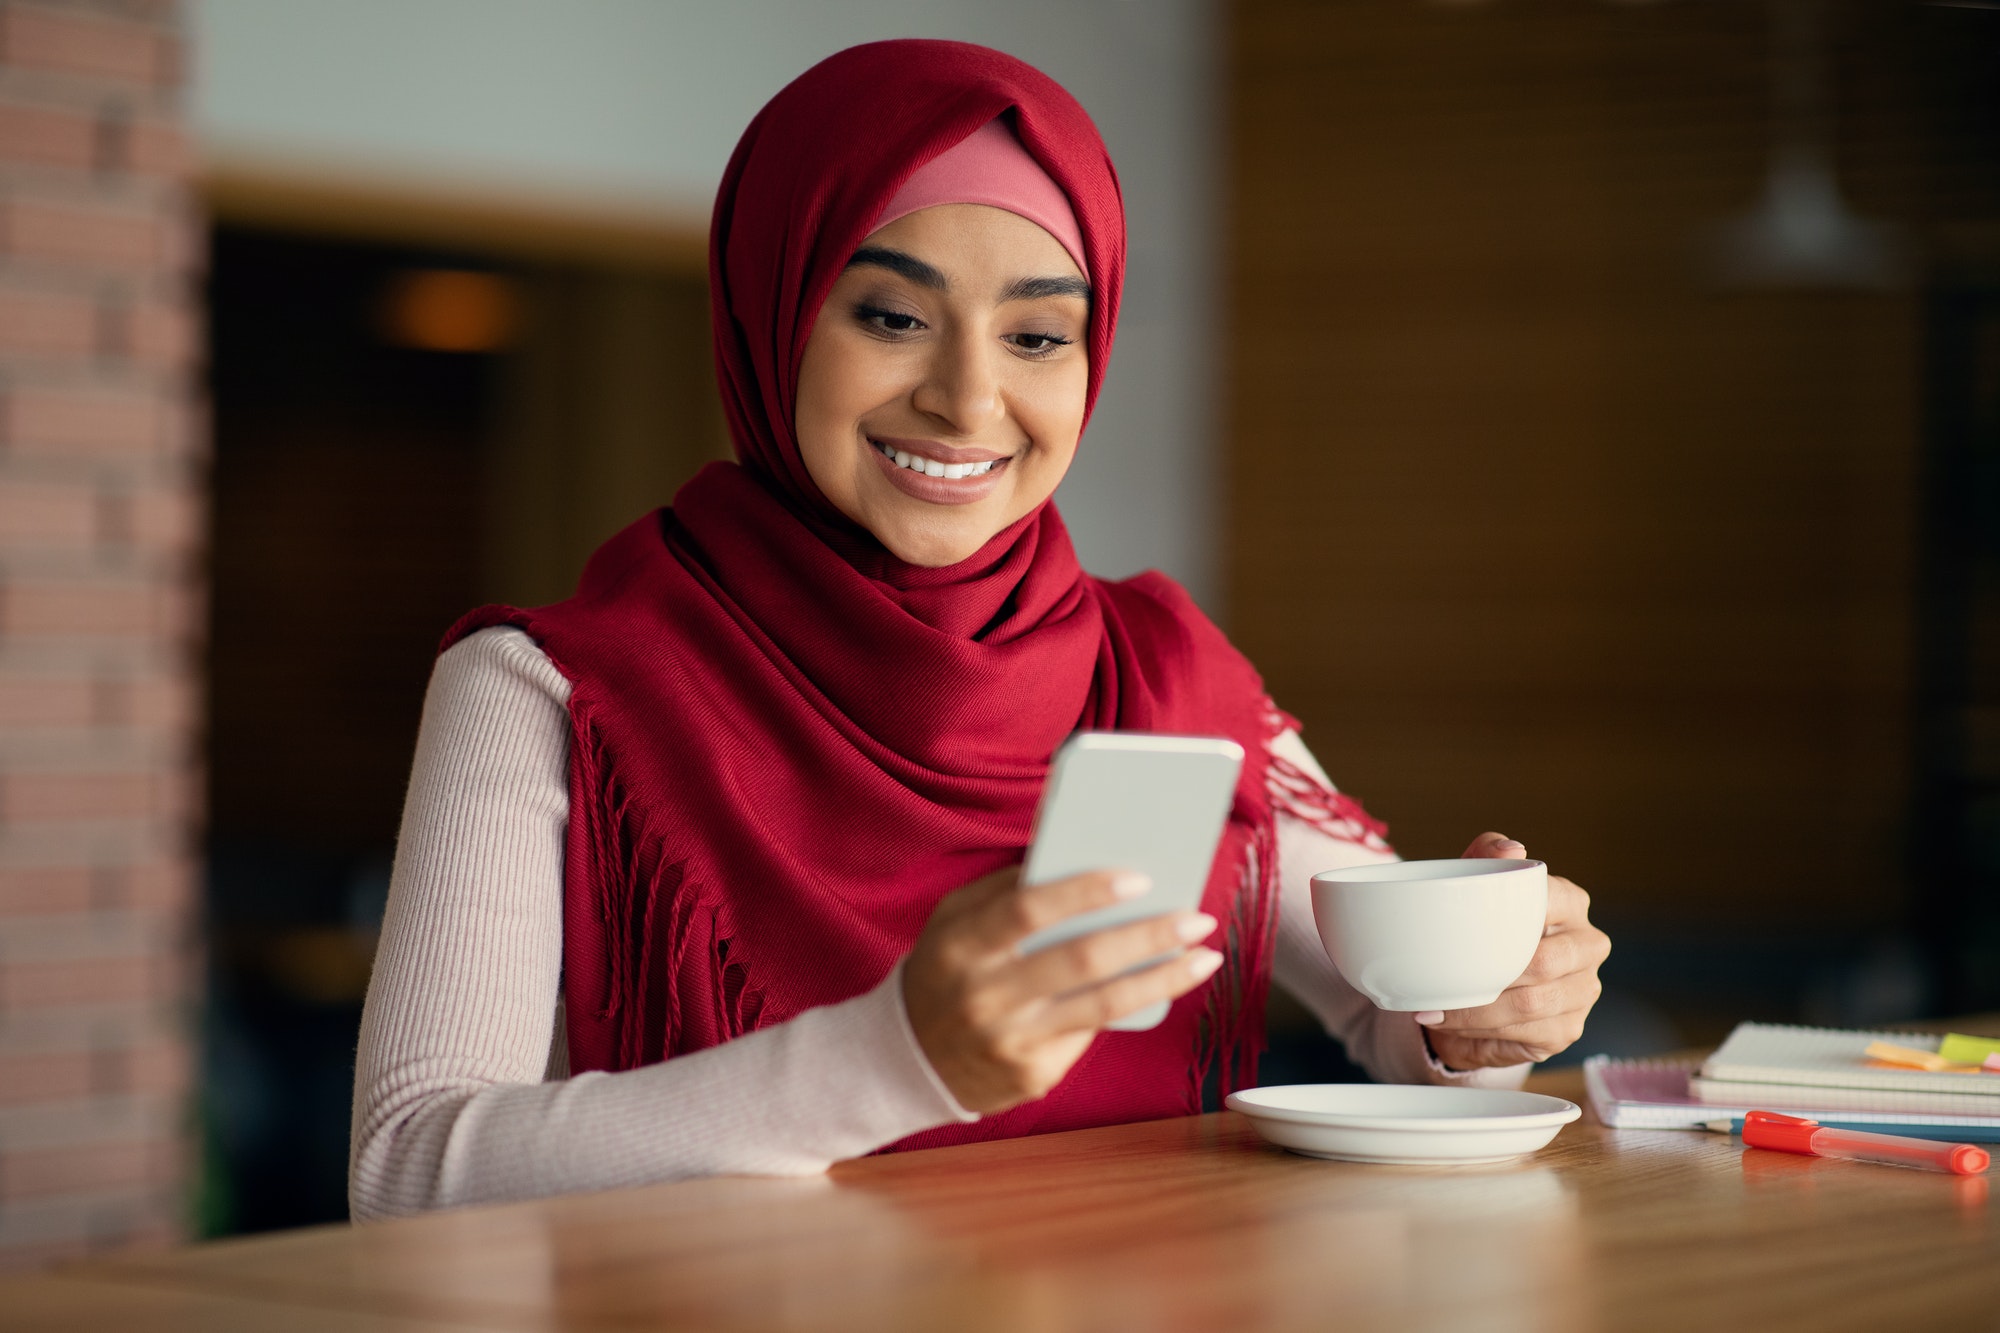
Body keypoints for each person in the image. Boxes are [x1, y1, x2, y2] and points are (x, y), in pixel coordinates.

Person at [349, 39, 1611, 1221]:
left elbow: (1391, 1019)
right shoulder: (550, 685)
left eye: (1035, 335)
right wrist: (896, 1058)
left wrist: (1486, 1012)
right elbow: (405, 1167)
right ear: (771, 311)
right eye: (892, 317)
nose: (966, 398)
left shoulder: (1162, 671)